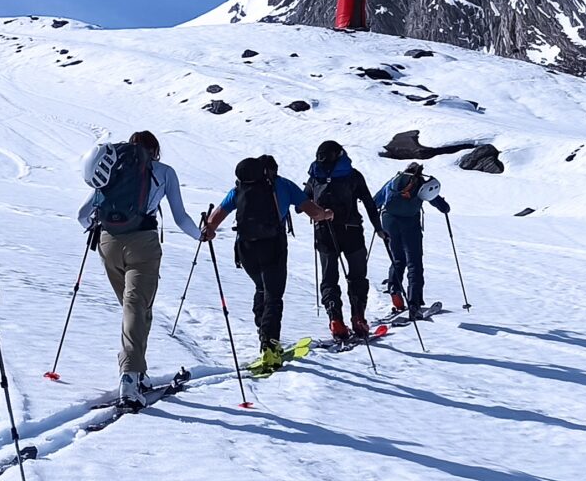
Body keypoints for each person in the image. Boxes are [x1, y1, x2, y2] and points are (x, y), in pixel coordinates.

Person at [76, 130, 192, 407]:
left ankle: (138, 372)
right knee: (136, 308)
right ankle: (129, 378)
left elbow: (82, 215)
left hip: (108, 244)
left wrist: (101, 231)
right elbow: (180, 217)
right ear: (155, 150)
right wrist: (202, 235)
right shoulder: (164, 172)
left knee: (136, 309)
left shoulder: (112, 170)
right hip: (143, 244)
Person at [200, 153, 313, 372]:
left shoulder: (239, 190)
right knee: (273, 295)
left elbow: (216, 216)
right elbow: (312, 211)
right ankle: (270, 347)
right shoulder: (282, 185)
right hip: (273, 246)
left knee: (261, 287)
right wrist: (327, 214)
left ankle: (264, 333)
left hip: (246, 249)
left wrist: (208, 230)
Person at [302, 139, 385, 343]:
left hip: (324, 232)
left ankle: (335, 321)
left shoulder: (315, 177)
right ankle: (358, 318)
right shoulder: (352, 175)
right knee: (357, 276)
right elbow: (368, 203)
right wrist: (379, 228)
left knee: (329, 278)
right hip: (352, 231)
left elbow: (304, 202)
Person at [374, 161, 452, 318]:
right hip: (410, 223)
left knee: (397, 258)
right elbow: (436, 201)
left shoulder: (394, 181)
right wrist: (445, 207)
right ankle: (414, 304)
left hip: (389, 222)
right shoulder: (421, 183)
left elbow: (376, 200)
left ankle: (395, 291)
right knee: (414, 262)